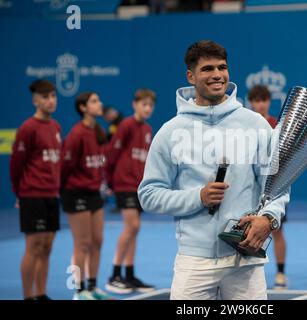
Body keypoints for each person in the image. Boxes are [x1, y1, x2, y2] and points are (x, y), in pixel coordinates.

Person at [138, 40, 289, 300]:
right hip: (194, 262)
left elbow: (277, 186)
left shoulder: (256, 125)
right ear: (191, 76)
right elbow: (149, 194)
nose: (217, 75)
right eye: (208, 69)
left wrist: (269, 218)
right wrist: (197, 197)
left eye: (222, 67)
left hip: (244, 259)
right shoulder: (171, 131)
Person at [10, 79, 61, 300]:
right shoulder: (27, 128)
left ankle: (41, 293)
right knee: (33, 246)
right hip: (32, 195)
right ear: (35, 100)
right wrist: (19, 193)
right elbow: (16, 165)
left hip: (52, 194)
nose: (50, 101)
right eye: (45, 97)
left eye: (52, 96)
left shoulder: (56, 127)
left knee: (47, 246)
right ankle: (27, 296)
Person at [61, 92, 112, 300]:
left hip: (94, 193)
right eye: (94, 101)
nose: (99, 104)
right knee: (82, 243)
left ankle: (92, 287)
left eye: (99, 100)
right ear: (83, 107)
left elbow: (100, 163)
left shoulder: (99, 130)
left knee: (97, 240)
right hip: (76, 193)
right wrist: (65, 191)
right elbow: (64, 167)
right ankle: (79, 291)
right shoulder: (76, 134)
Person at [105, 89, 156, 294]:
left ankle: (129, 274)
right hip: (123, 184)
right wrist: (109, 183)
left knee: (135, 229)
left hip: (138, 186)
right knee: (131, 225)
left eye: (151, 105)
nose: (148, 108)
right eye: (144, 104)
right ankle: (114, 275)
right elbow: (112, 154)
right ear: (135, 104)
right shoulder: (126, 125)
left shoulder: (147, 129)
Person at [248, 84, 288, 290]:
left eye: (263, 100)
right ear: (251, 103)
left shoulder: (278, 126)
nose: (260, 104)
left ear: (268, 102)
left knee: (277, 232)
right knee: (250, 230)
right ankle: (252, 273)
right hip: (252, 189)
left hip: (275, 188)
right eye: (256, 100)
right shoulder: (246, 126)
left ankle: (281, 273)